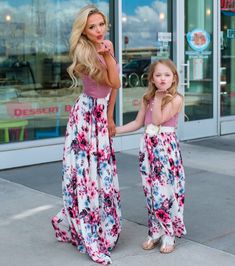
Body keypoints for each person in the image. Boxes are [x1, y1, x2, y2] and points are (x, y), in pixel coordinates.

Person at [51, 5, 121, 265]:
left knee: (101, 171)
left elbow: (115, 90)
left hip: (100, 115)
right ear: (84, 30)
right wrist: (110, 56)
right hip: (86, 116)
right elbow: (112, 81)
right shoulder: (83, 51)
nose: (98, 30)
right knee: (86, 173)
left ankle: (104, 222)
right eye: (92, 27)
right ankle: (87, 226)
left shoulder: (106, 46)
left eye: (101, 24)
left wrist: (110, 117)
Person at [116, 59, 186, 254]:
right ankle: (155, 230)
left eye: (167, 75)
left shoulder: (176, 99)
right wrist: (114, 130)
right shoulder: (148, 99)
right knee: (150, 192)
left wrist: (159, 98)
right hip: (148, 148)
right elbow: (139, 122)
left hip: (165, 149)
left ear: (174, 78)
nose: (162, 78)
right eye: (158, 75)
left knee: (165, 192)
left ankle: (168, 233)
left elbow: (157, 119)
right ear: (152, 79)